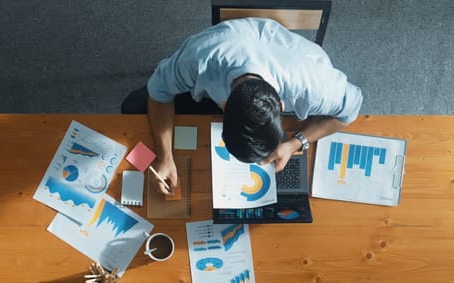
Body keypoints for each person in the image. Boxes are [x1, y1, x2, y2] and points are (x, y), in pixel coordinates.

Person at [121, 17, 363, 195]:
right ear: (223, 106)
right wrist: (165, 156)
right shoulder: (198, 59)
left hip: (287, 60)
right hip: (226, 50)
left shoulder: (316, 86)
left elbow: (349, 112)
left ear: (280, 104)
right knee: (132, 107)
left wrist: (294, 143)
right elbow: (159, 93)